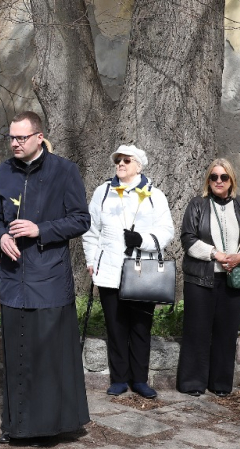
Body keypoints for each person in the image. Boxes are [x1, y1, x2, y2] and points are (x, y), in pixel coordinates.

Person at [0, 111, 91, 445]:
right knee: (16, 358)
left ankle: (53, 427)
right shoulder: (3, 172)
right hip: (14, 281)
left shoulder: (64, 171)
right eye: (11, 138)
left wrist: (39, 229)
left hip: (50, 279)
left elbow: (80, 220)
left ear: (39, 137)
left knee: (48, 357)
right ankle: (17, 427)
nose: (14, 143)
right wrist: (0, 236)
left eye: (21, 138)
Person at [82, 144, 174, 399]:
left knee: (140, 327)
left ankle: (140, 379)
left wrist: (141, 239)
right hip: (110, 269)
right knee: (116, 325)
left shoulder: (155, 195)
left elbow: (167, 230)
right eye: (118, 160)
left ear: (139, 165)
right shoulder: (103, 192)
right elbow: (91, 231)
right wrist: (92, 259)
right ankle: (119, 378)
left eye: (126, 160)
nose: (120, 164)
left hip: (141, 271)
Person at [176, 158, 240, 397]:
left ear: (231, 179)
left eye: (224, 177)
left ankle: (221, 383)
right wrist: (216, 254)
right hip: (201, 278)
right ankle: (192, 382)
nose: (219, 181)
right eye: (214, 177)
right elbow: (188, 239)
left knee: (227, 331)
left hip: (234, 278)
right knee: (197, 331)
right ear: (208, 180)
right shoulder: (197, 204)